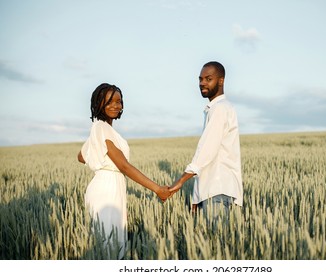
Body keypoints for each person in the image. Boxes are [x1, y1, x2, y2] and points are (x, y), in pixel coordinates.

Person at [77, 83, 171, 259]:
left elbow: (81, 156)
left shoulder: (102, 129)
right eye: (109, 102)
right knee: (108, 245)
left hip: (109, 186)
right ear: (99, 104)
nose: (115, 105)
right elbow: (124, 166)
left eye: (119, 101)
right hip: (106, 189)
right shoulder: (101, 128)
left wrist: (97, 155)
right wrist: (157, 189)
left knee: (110, 243)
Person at [170, 61, 243, 224]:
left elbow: (207, 151)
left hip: (217, 192)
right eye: (200, 79)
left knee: (215, 246)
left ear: (221, 81)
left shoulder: (220, 109)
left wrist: (180, 181)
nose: (202, 83)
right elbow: (211, 158)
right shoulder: (218, 108)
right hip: (213, 191)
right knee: (216, 245)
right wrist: (197, 196)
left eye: (208, 79)